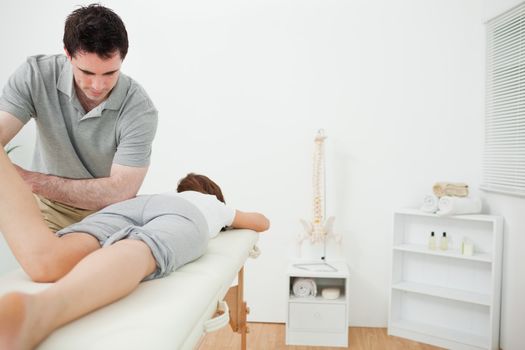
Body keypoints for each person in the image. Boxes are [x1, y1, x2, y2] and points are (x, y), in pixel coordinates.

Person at [0, 149, 270, 350]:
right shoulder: (211, 203)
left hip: (133, 204)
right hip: (181, 215)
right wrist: (228, 216)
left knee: (59, 254)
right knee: (139, 247)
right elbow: (260, 222)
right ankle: (41, 311)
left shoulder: (168, 194)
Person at [0, 4, 158, 232]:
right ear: (68, 54)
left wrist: (29, 180)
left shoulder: (139, 109)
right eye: (87, 72)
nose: (97, 86)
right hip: (45, 207)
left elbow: (120, 191)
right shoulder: (35, 75)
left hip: (107, 214)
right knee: (48, 264)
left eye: (109, 73)